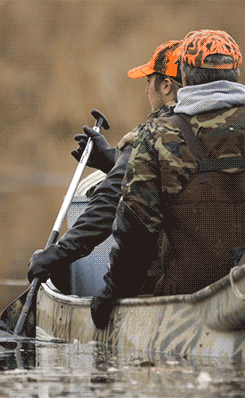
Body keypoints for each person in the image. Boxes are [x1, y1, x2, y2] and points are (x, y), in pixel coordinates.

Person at [90, 29, 245, 329]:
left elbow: (135, 232)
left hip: (187, 316)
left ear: (184, 77)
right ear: (236, 75)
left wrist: (111, 292)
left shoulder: (158, 137)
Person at [27, 40, 184, 293]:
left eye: (148, 82)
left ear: (166, 86)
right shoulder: (235, 129)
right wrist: (112, 160)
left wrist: (56, 255)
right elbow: (173, 174)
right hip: (219, 273)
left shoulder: (150, 136)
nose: (146, 91)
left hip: (164, 285)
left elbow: (108, 204)